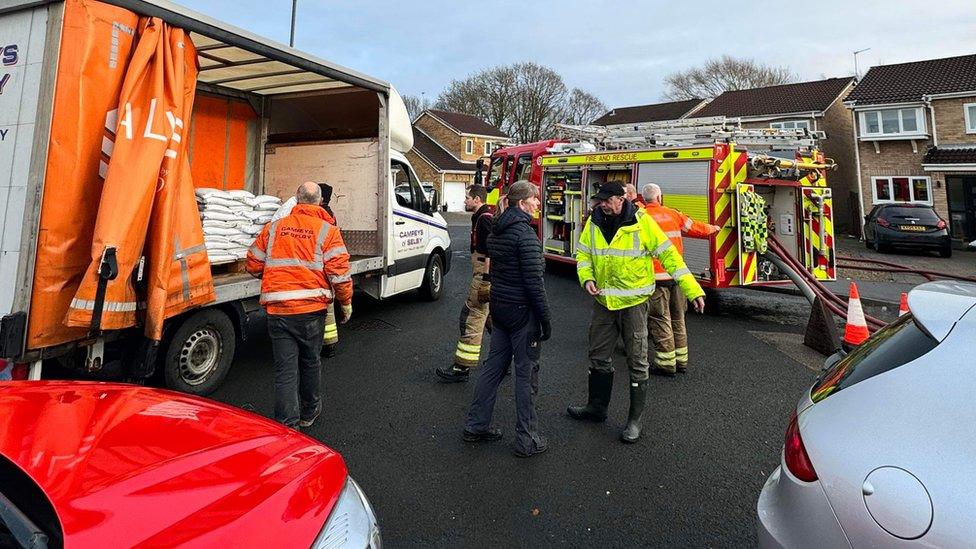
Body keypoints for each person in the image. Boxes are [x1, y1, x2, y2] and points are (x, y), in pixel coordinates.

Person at [567, 182, 705, 443]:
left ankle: (634, 421)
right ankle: (596, 408)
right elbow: (583, 255)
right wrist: (586, 278)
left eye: (608, 200)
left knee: (638, 361)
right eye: (601, 200)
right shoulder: (594, 222)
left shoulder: (642, 222)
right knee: (598, 357)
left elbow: (670, 257)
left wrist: (693, 289)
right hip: (604, 303)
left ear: (621, 199)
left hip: (634, 305)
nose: (603, 204)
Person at [246, 182, 353, 429]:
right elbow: (339, 274)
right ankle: (309, 412)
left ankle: (287, 424)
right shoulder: (328, 231)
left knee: (285, 370)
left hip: (279, 309)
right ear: (319, 202)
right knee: (310, 361)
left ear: (296, 199)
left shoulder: (274, 228)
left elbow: (252, 264)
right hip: (311, 311)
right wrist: (346, 303)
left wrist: (275, 275)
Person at [464, 180, 552, 458]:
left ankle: (475, 426)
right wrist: (545, 319)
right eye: (535, 199)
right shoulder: (524, 235)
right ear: (523, 202)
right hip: (520, 313)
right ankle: (527, 439)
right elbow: (534, 283)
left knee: (493, 368)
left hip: (500, 308)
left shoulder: (498, 229)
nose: (539, 203)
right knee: (526, 376)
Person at [642, 183, 720, 376]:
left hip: (655, 279)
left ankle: (666, 364)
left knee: (660, 320)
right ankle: (681, 360)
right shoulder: (672, 214)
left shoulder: (641, 217)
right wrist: (715, 228)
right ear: (660, 198)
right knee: (678, 318)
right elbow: (696, 228)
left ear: (644, 199)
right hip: (676, 277)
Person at [272, 183, 342, 358]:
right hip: (318, 273)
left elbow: (255, 262)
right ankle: (327, 345)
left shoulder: (298, 214)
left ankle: (325, 344)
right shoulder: (326, 215)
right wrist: (346, 301)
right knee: (326, 311)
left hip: (306, 271)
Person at [437, 184, 493, 382]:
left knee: (471, 317)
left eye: (468, 197)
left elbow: (490, 253)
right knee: (492, 321)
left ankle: (462, 368)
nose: (465, 200)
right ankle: (502, 358)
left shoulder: (485, 220)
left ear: (477, 199)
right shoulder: (480, 217)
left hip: (483, 276)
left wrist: (485, 281)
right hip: (483, 274)